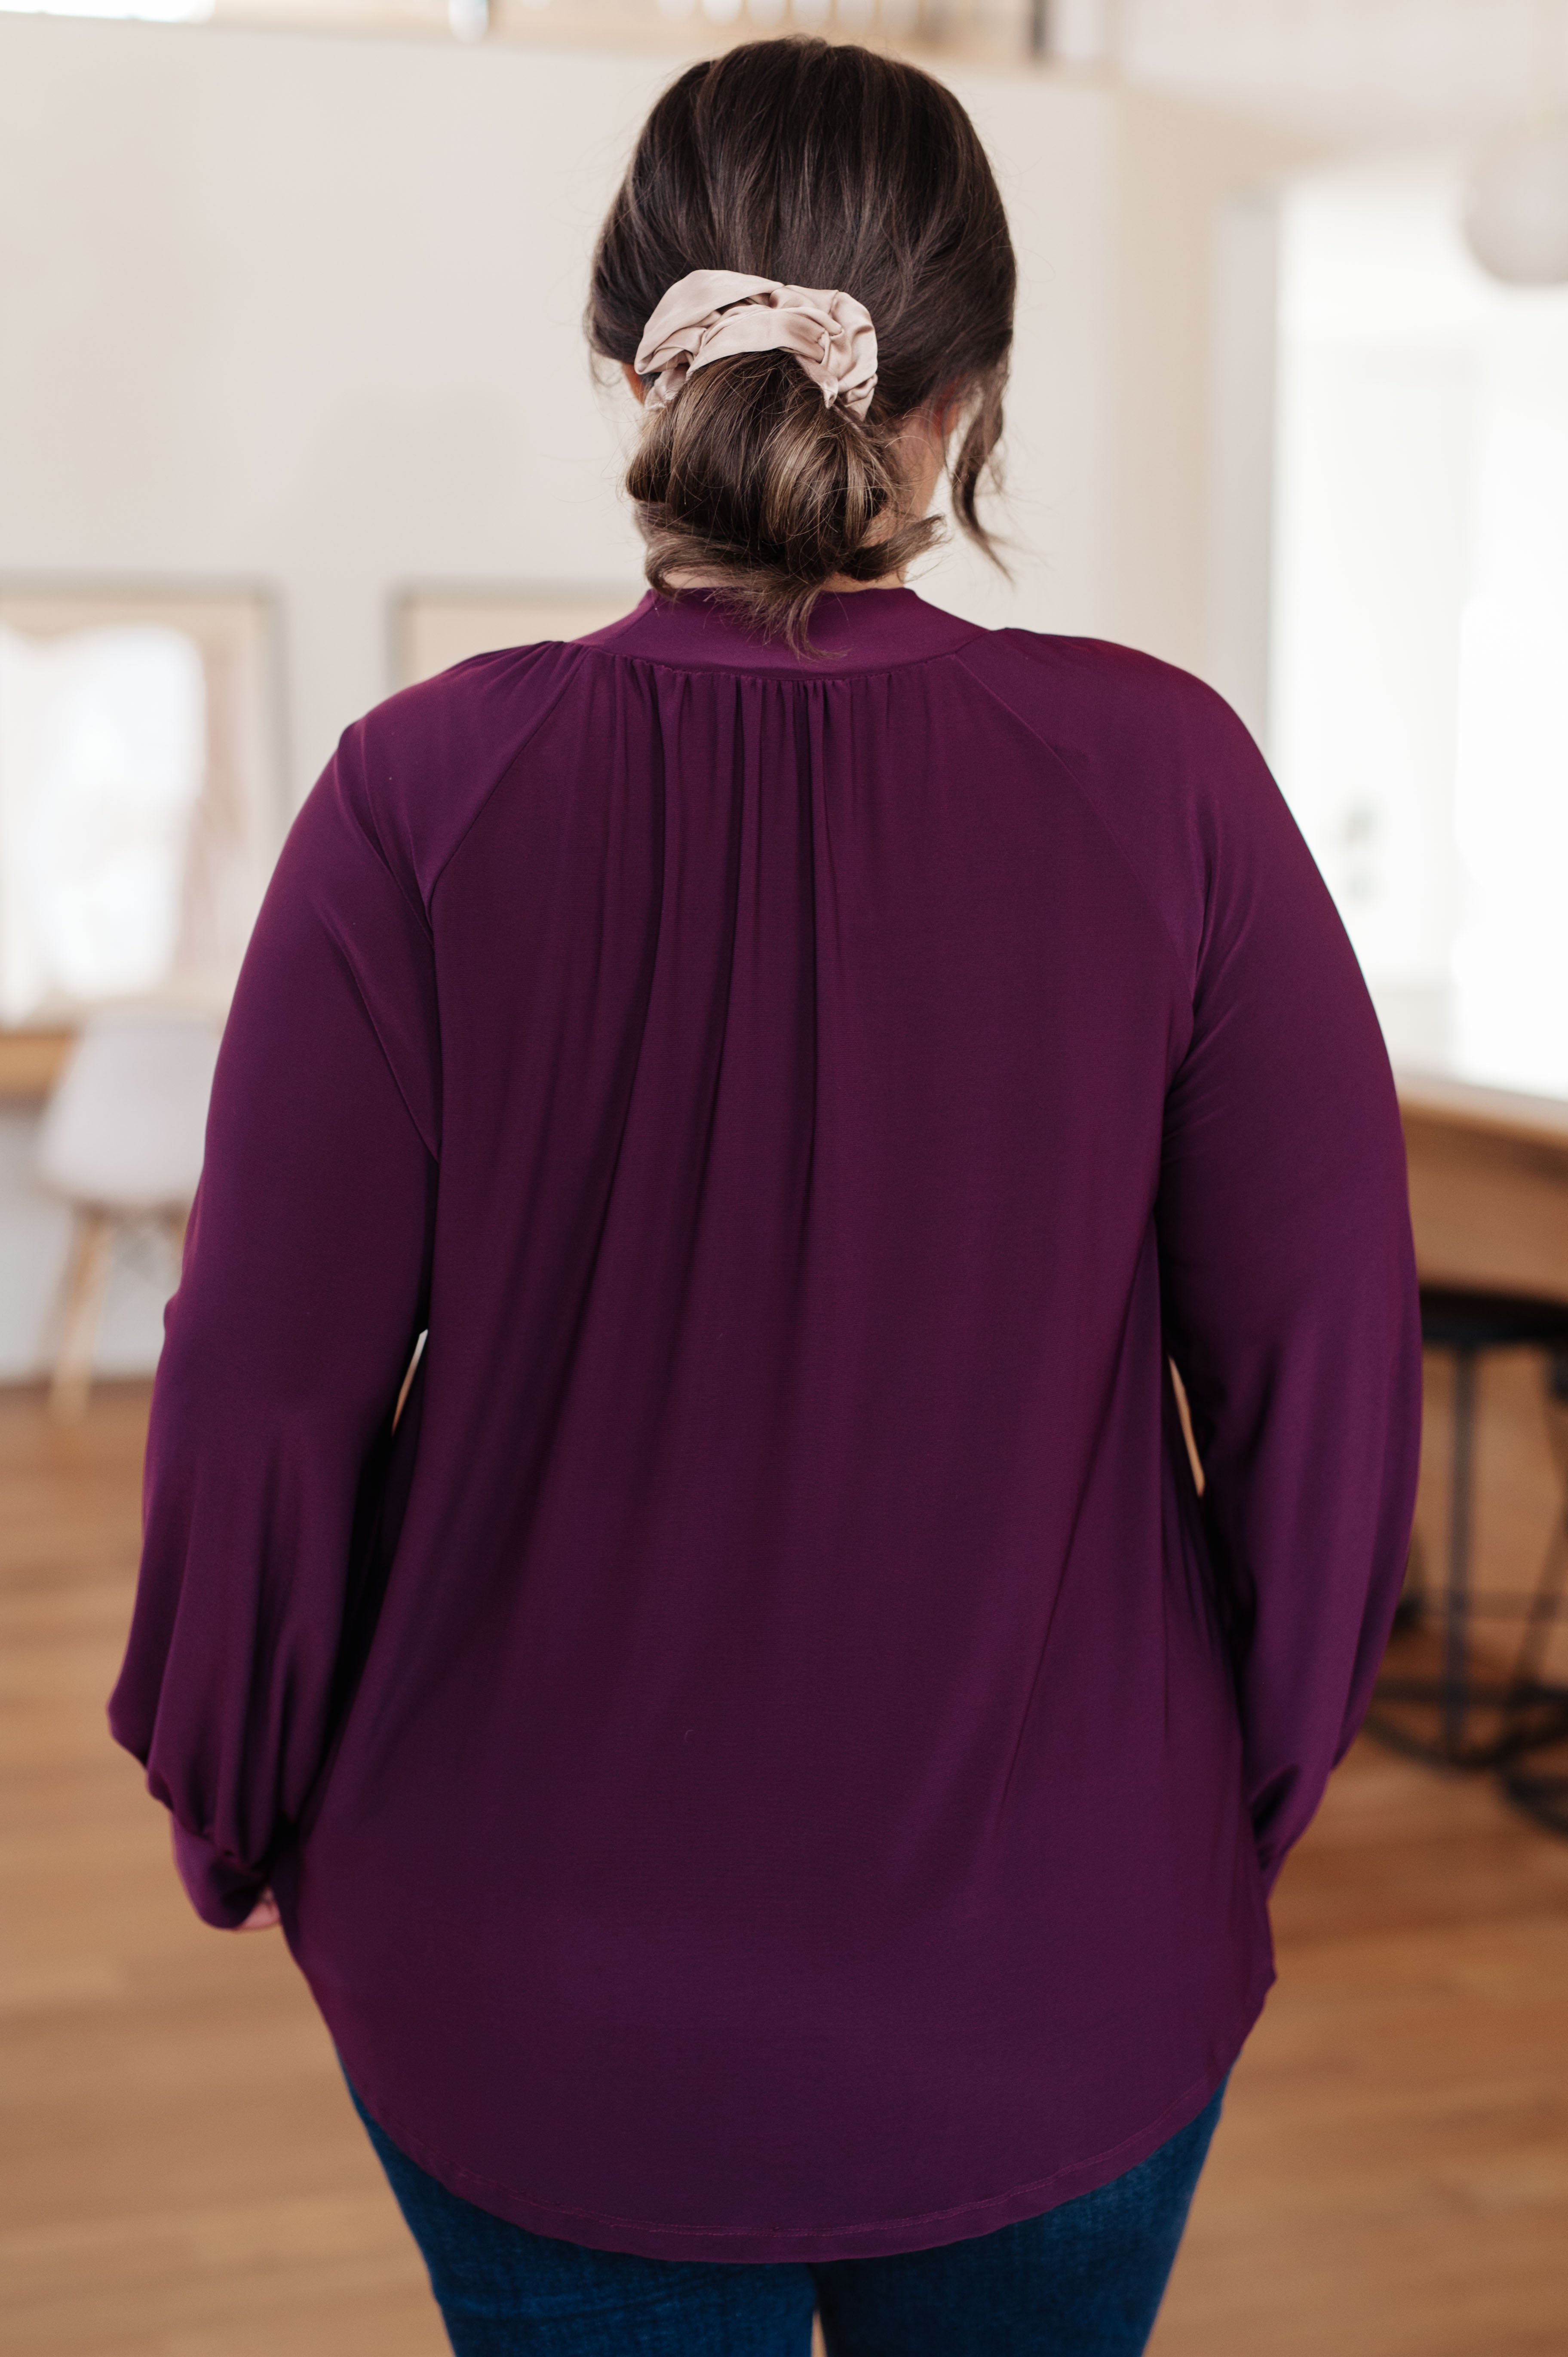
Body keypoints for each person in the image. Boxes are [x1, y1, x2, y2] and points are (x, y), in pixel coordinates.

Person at [110, 36, 1421, 2356]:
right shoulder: (1173, 784)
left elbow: (252, 1405)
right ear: (978, 394)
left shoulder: (419, 800)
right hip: (1062, 1984)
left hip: (525, 2000)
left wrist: (240, 1807)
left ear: (627, 357)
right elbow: (1329, 1378)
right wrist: (1209, 1824)